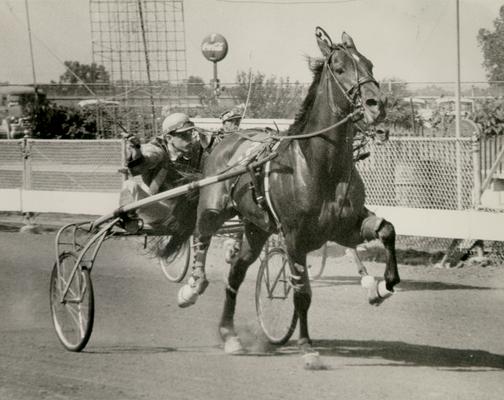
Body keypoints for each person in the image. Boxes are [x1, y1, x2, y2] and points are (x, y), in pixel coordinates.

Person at [120, 112, 201, 231]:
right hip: (159, 210)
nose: (189, 139)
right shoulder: (157, 150)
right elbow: (146, 158)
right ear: (169, 138)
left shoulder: (195, 151)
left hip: (184, 215)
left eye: (190, 133)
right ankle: (127, 220)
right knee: (129, 185)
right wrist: (136, 150)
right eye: (183, 135)